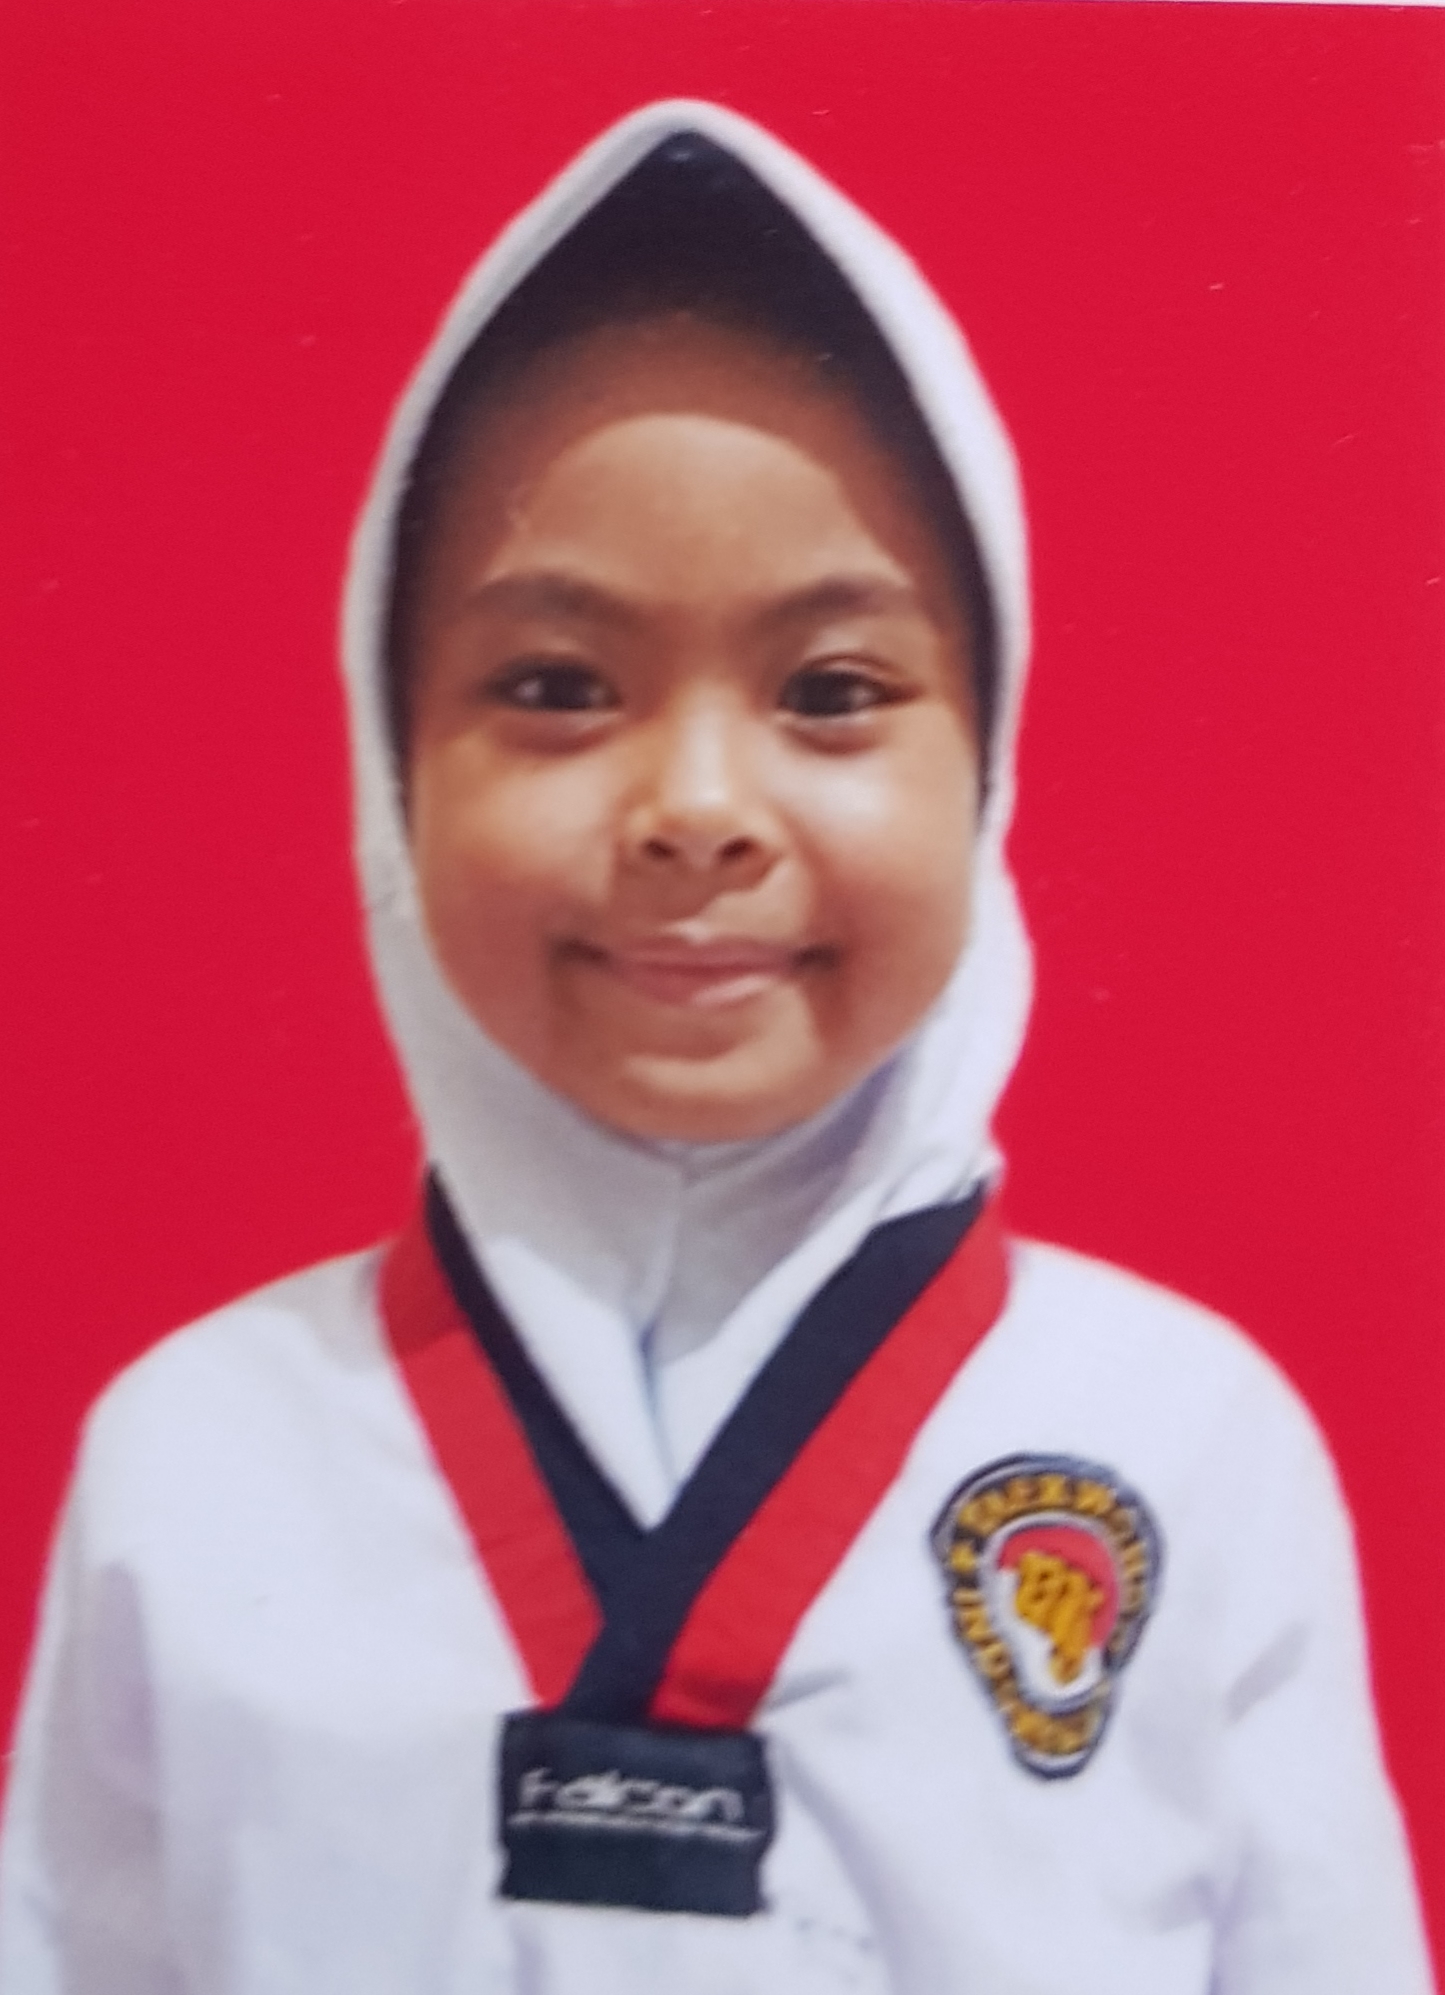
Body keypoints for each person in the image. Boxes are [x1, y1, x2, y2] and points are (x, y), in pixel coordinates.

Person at [0, 99, 1432, 1995]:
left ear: (987, 766)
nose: (692, 807)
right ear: (387, 763)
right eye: (556, 686)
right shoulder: (196, 1455)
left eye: (830, 691)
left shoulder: (1185, 1439)